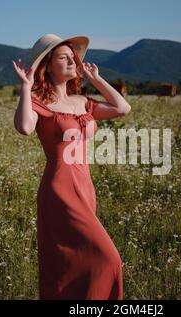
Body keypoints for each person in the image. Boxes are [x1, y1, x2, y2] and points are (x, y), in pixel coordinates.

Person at [12, 33, 131, 300]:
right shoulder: (40, 103)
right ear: (48, 66)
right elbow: (24, 127)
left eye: (72, 57)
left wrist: (96, 79)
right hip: (60, 191)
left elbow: (122, 107)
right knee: (108, 259)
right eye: (63, 57)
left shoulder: (83, 102)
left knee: (79, 261)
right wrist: (25, 86)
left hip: (85, 188)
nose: (72, 61)